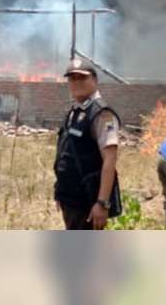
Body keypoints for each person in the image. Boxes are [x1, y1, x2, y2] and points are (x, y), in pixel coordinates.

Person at [53, 58, 122, 230]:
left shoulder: (102, 114)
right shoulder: (75, 111)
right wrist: (60, 190)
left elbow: (110, 160)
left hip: (88, 201)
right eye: (72, 78)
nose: (77, 82)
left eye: (82, 78)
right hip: (71, 198)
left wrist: (102, 202)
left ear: (95, 80)